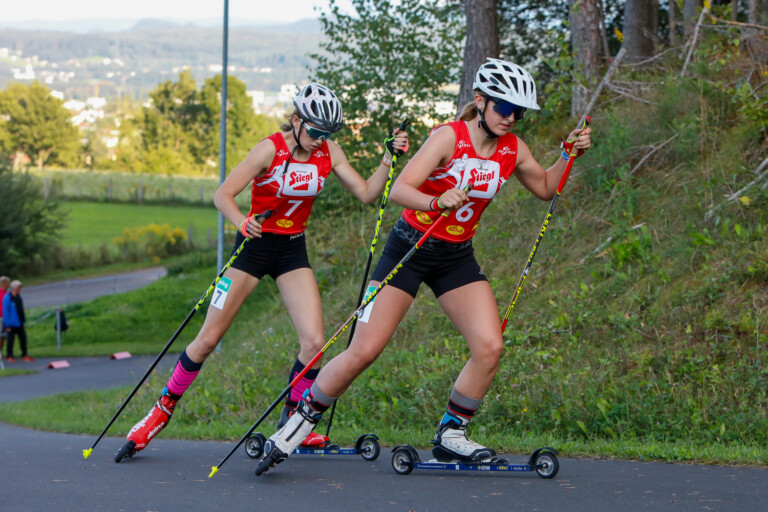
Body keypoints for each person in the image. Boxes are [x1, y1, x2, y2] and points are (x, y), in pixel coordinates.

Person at [256, 58, 592, 475]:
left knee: (490, 347)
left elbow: (545, 188)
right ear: (480, 101)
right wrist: (436, 202)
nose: (511, 117)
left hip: (455, 255)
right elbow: (400, 189)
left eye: (518, 111)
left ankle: (452, 433)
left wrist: (566, 154)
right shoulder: (448, 138)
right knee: (364, 349)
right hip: (409, 249)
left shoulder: (513, 148)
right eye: (504, 107)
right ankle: (299, 421)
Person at [122, 83, 409, 457]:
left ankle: (293, 422)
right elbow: (222, 195)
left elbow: (368, 193)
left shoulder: (329, 152)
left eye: (327, 134)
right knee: (207, 340)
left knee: (314, 341)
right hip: (253, 249)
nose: (321, 140)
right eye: (316, 131)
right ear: (296, 120)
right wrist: (242, 221)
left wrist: (387, 157)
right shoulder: (268, 149)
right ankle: (159, 412)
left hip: (292, 250)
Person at [3, 280, 33, 363]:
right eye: (19, 287)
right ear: (14, 288)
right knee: (10, 340)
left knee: (23, 338)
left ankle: (24, 355)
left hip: (19, 322)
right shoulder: (7, 297)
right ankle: (10, 356)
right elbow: (5, 311)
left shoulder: (19, 297)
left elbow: (20, 309)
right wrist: (7, 325)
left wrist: (23, 320)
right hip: (11, 323)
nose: (20, 289)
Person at [0, 276, 9, 359]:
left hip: (6, 317)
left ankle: (1, 353)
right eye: (7, 283)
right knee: (1, 335)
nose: (8, 285)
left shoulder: (7, 293)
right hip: (0, 317)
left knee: (3, 336)